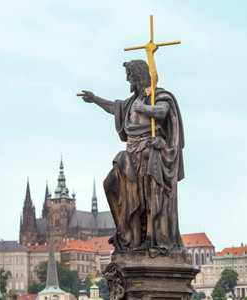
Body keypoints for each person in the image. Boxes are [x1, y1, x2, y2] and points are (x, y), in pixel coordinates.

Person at [77, 60, 185, 254]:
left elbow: (162, 111)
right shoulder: (131, 102)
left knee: (150, 198)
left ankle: (151, 240)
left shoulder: (159, 96)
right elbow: (114, 107)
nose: (127, 79)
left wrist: (143, 108)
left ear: (138, 76)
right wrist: (94, 99)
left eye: (129, 75)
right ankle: (128, 235)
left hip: (150, 153)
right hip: (131, 153)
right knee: (111, 183)